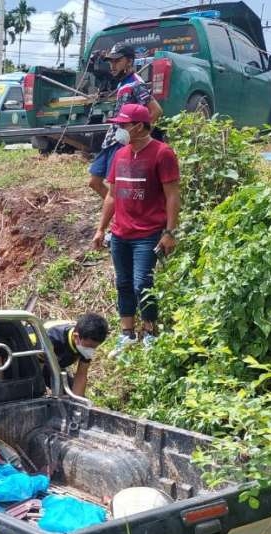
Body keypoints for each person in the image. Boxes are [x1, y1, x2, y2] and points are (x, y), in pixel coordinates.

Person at [91, 103, 181, 353]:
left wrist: (170, 232)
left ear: (139, 126)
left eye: (123, 125)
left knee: (143, 283)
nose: (119, 129)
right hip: (120, 233)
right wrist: (101, 229)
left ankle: (150, 331)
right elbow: (111, 196)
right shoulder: (120, 154)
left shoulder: (162, 154)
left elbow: (172, 195)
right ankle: (127, 333)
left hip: (148, 233)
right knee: (123, 283)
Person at [87, 45, 163, 198]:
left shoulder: (136, 83)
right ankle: (120, 213)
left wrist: (138, 138)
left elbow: (156, 111)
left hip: (122, 140)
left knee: (118, 188)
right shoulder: (123, 83)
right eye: (111, 62)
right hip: (111, 140)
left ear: (129, 61)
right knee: (94, 182)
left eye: (117, 61)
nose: (112, 66)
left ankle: (120, 216)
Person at [44, 314, 109, 397]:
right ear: (76, 337)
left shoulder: (85, 341)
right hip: (29, 361)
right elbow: (36, 369)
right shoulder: (51, 339)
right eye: (89, 346)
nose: (91, 351)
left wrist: (78, 403)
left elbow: (81, 375)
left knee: (71, 396)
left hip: (54, 367)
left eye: (94, 347)